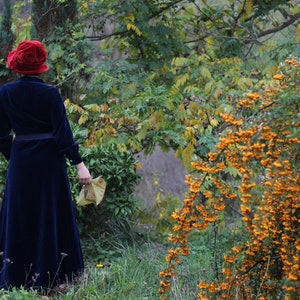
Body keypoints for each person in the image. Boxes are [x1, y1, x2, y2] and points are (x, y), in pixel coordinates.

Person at [0, 40, 91, 291]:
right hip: (50, 163)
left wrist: (17, 156)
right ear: (41, 67)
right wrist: (79, 164)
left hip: (21, 162)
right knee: (50, 212)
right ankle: (54, 277)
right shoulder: (51, 94)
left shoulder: (5, 93)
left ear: (17, 66)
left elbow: (1, 136)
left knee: (20, 214)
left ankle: (15, 278)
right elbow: (63, 134)